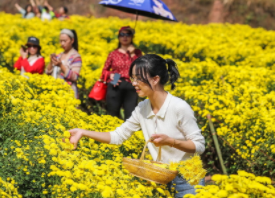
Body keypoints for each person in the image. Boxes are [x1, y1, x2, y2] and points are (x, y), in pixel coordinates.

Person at [69, 54, 205, 198]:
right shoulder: (142, 107)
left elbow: (199, 145)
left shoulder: (179, 107)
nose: (133, 83)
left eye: (138, 78)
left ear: (155, 79)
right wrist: (83, 132)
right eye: (133, 78)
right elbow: (118, 136)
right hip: (160, 179)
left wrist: (171, 142)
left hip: (187, 181)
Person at [102, 26, 142, 120]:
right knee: (112, 115)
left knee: (131, 116)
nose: (125, 37)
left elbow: (140, 69)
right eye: (122, 34)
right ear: (118, 37)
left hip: (132, 85)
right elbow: (104, 71)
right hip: (116, 83)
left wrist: (133, 55)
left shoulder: (137, 53)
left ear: (132, 37)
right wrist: (110, 75)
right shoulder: (113, 54)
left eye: (128, 34)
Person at [46, 29, 81, 99]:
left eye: (65, 41)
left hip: (68, 94)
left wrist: (61, 66)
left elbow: (74, 77)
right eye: (61, 41)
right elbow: (47, 73)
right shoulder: (59, 55)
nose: (62, 44)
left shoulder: (76, 57)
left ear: (72, 40)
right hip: (55, 92)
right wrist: (51, 61)